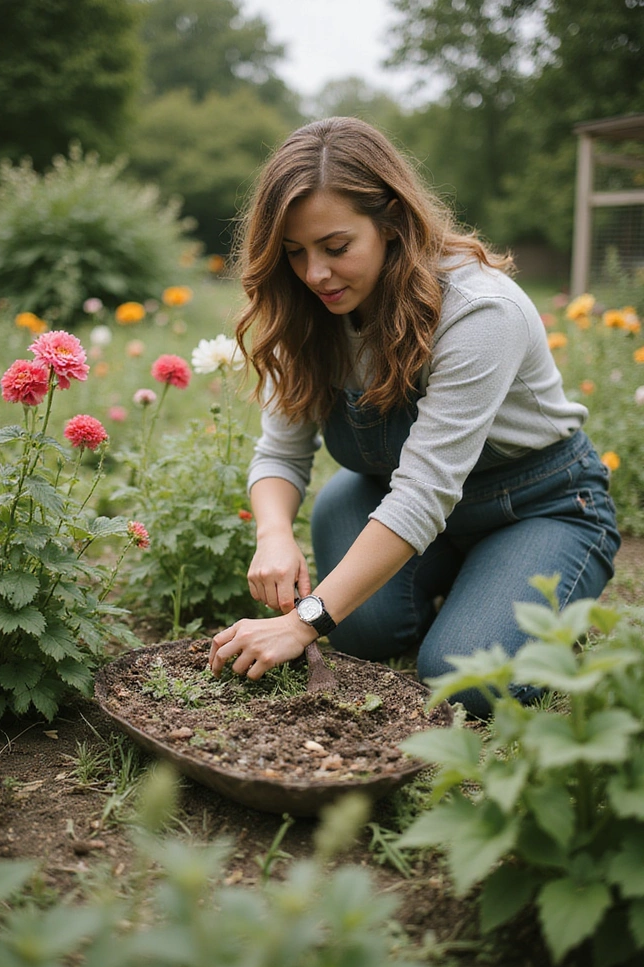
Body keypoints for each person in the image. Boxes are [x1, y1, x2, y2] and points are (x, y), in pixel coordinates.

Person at [208, 116, 620, 718]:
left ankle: (520, 587)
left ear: (393, 223)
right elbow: (280, 454)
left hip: (536, 506)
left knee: (463, 680)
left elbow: (425, 491)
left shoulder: (479, 312)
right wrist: (273, 533)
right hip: (398, 501)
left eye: (336, 247)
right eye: (294, 253)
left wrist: (305, 619)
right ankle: (466, 585)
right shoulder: (308, 311)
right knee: (361, 636)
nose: (314, 273)